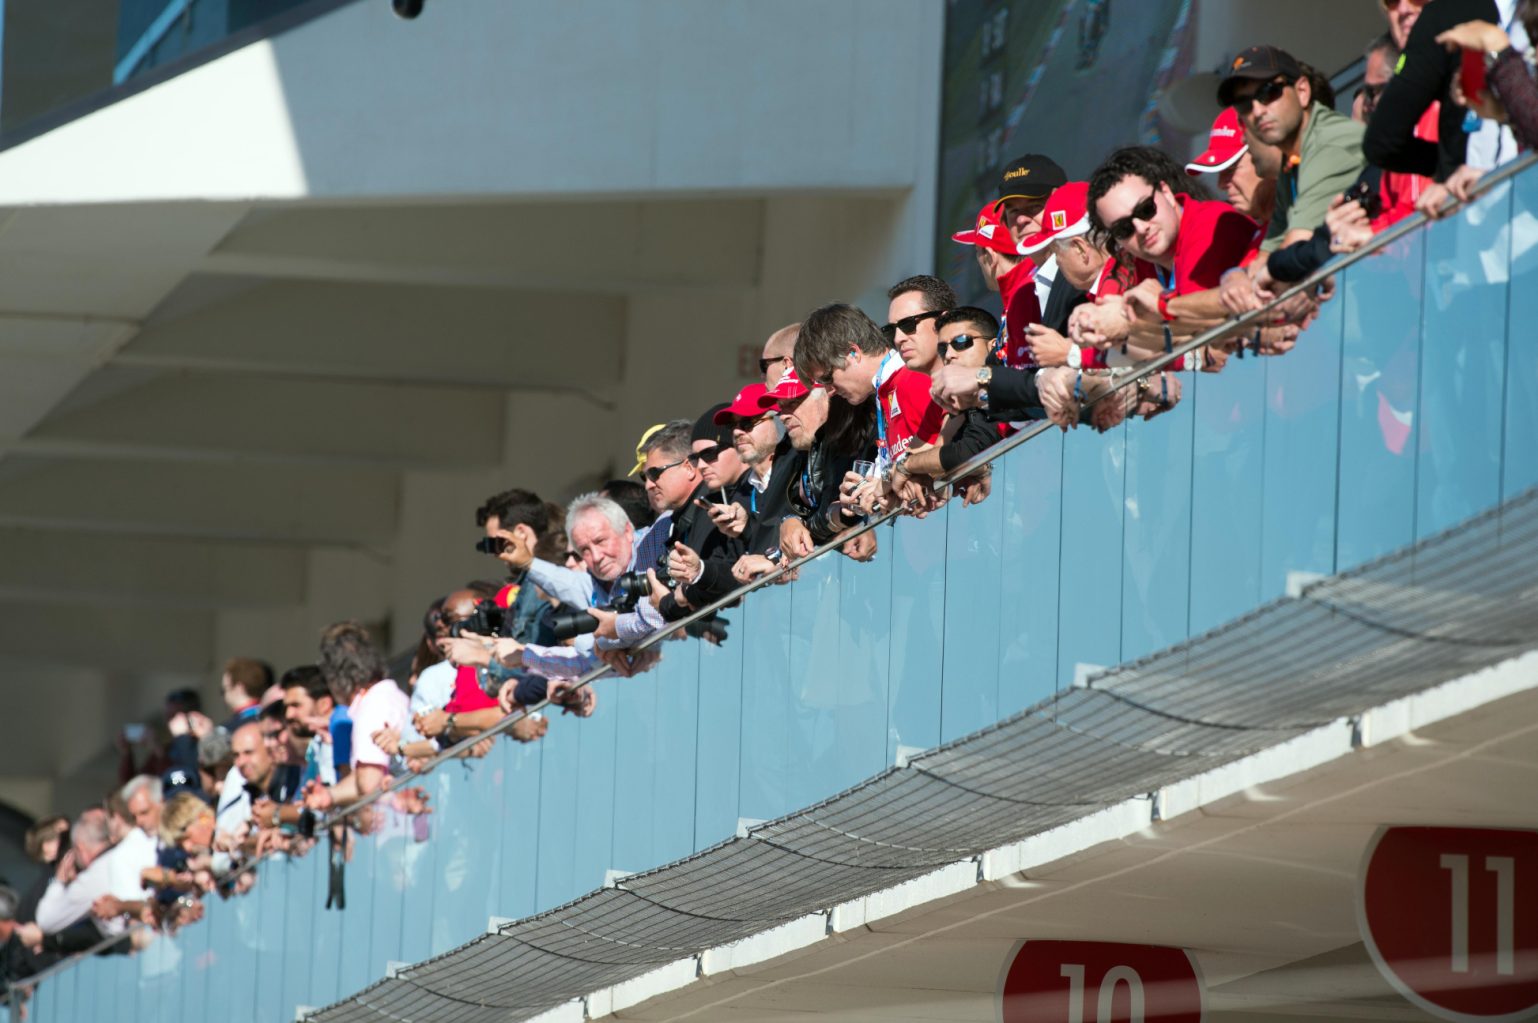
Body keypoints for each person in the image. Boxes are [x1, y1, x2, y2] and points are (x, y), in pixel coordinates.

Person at [1218, 45, 1365, 253]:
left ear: (1302, 92)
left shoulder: (1329, 145)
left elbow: (1295, 248)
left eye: (1269, 92)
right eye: (1243, 104)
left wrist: (1265, 267)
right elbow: (1270, 252)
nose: (1257, 111)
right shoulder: (1291, 164)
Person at [1363, 0, 1503, 215]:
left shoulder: (1445, 19)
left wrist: (1450, 169)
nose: (1403, 8)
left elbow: (1380, 143)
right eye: (1391, 1)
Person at [887, 275, 956, 377]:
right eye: (891, 330)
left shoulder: (978, 380)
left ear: (945, 321)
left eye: (907, 324)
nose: (897, 339)